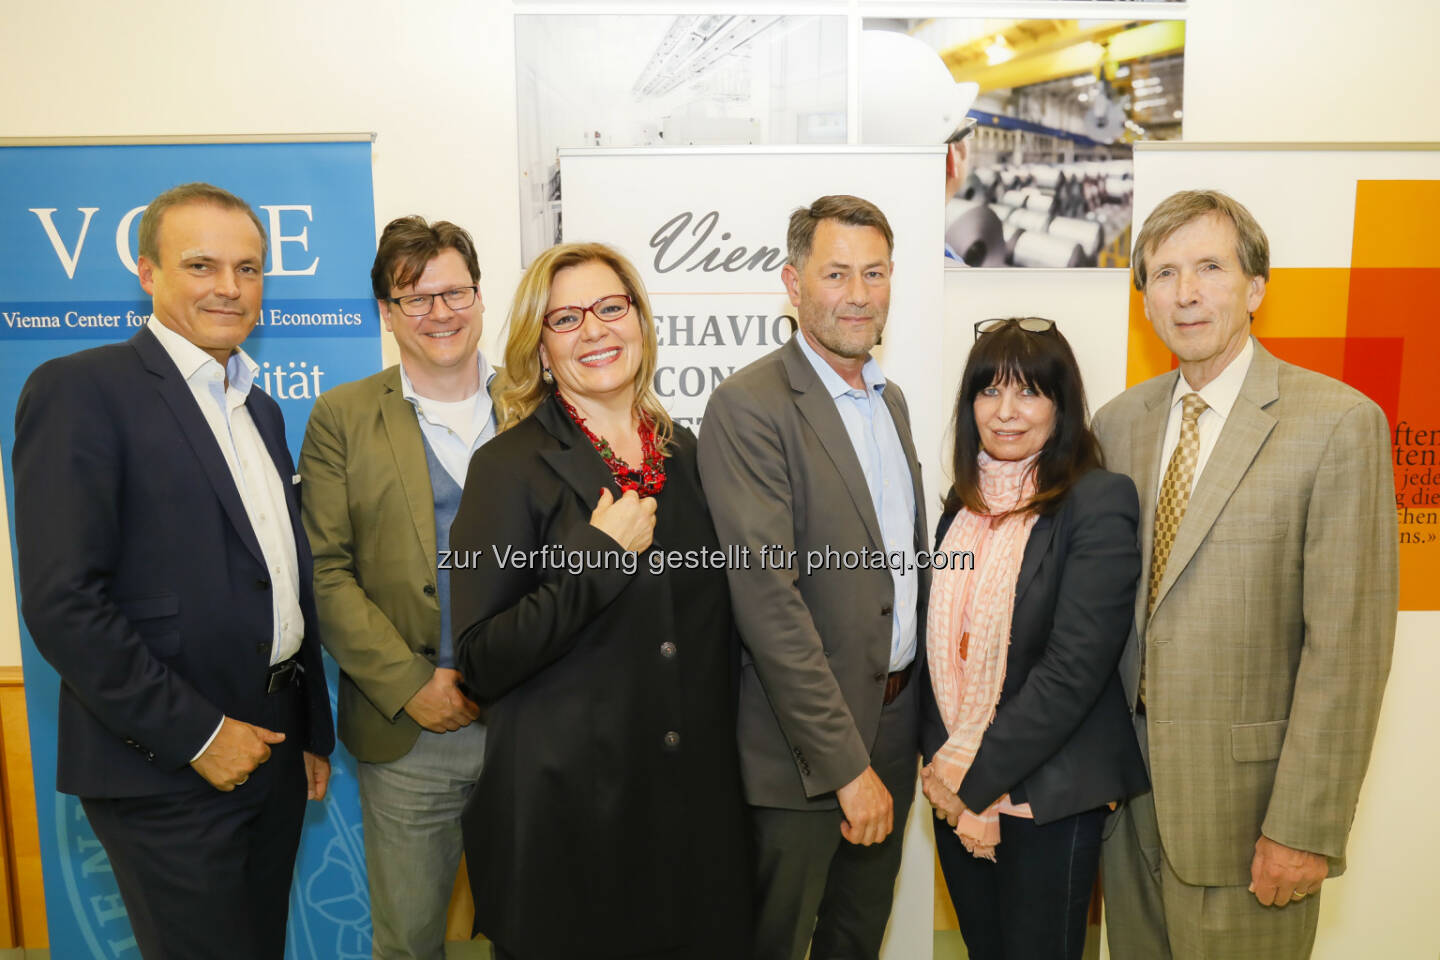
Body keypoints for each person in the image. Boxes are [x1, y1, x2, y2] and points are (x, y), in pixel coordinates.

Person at [11, 182, 334, 960]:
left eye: (249, 268)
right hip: (168, 769)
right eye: (202, 264)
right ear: (148, 273)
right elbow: (63, 602)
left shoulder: (259, 407)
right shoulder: (82, 389)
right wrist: (200, 736)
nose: (229, 286)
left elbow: (279, 576)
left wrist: (309, 729)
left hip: (275, 752)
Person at [1094, 189, 1398, 959]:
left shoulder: (1337, 424)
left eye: (1209, 268)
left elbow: (1347, 652)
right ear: (1145, 299)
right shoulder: (1118, 423)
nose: (1186, 292)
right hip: (1124, 813)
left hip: (1252, 821)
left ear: (1256, 287)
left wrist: (1303, 827)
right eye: (1163, 273)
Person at [448, 242, 752, 960]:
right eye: (567, 319)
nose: (596, 330)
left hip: (693, 824)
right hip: (570, 827)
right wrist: (598, 561)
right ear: (541, 350)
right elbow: (481, 661)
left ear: (641, 324)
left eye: (612, 308)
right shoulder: (507, 467)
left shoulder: (690, 455)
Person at [697, 194, 928, 960]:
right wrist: (845, 767)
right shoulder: (749, 406)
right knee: (777, 944)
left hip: (894, 729)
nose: (858, 295)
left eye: (874, 272)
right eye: (836, 274)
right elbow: (769, 602)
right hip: (804, 755)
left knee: (856, 942)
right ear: (794, 286)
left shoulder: (888, 401)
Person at [298, 216, 497, 960]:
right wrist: (412, 684)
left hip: (533, 722)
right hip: (411, 734)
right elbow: (323, 569)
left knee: (546, 928)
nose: (440, 312)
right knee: (411, 942)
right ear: (386, 313)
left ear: (480, 298)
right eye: (416, 298)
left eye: (455, 292)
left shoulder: (538, 405)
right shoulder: (342, 418)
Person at [919, 318, 1148, 959]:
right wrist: (941, 768)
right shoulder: (958, 511)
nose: (1006, 412)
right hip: (953, 789)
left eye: (1029, 393)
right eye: (989, 392)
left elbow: (1073, 668)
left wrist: (971, 778)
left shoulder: (1098, 501)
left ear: (1061, 404)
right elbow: (938, 652)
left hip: (1047, 798)